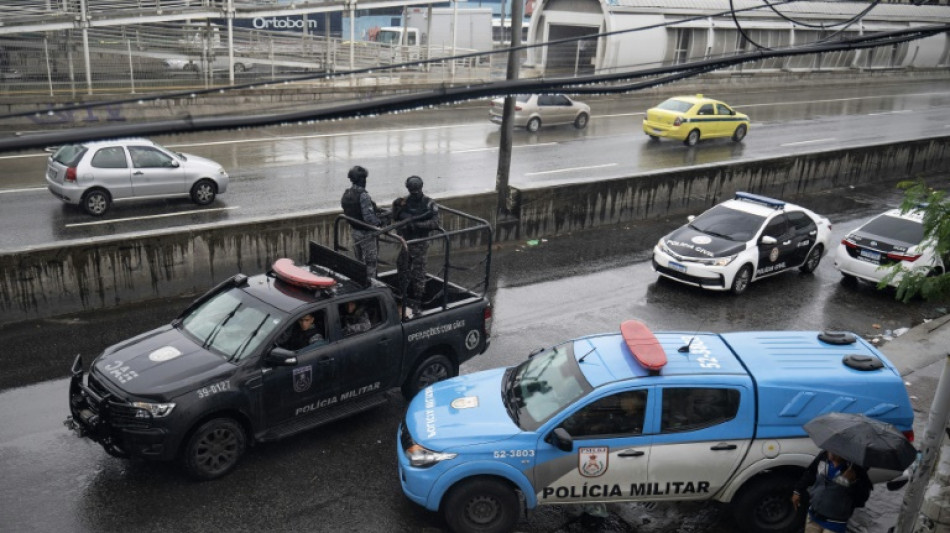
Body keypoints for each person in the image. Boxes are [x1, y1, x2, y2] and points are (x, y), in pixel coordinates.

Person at [392, 176, 440, 318]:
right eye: (412, 191)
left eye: (416, 190)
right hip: (406, 242)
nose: (415, 193)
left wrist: (416, 225)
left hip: (420, 243)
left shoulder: (429, 203)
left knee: (418, 273)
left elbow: (435, 223)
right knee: (402, 267)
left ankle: (417, 303)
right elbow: (396, 216)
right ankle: (404, 296)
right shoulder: (404, 201)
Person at [791, 449, 872, 533]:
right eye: (830, 450)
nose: (831, 453)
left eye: (836, 451)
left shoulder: (855, 469)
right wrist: (797, 490)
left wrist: (853, 483)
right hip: (813, 515)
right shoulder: (823, 457)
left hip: (835, 523)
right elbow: (810, 473)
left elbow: (862, 498)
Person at [340, 165, 386, 279]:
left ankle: (360, 281)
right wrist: (380, 222)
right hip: (366, 234)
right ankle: (371, 286)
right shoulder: (363, 195)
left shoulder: (347, 193)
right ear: (361, 179)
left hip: (355, 231)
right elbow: (369, 218)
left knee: (359, 260)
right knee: (370, 262)